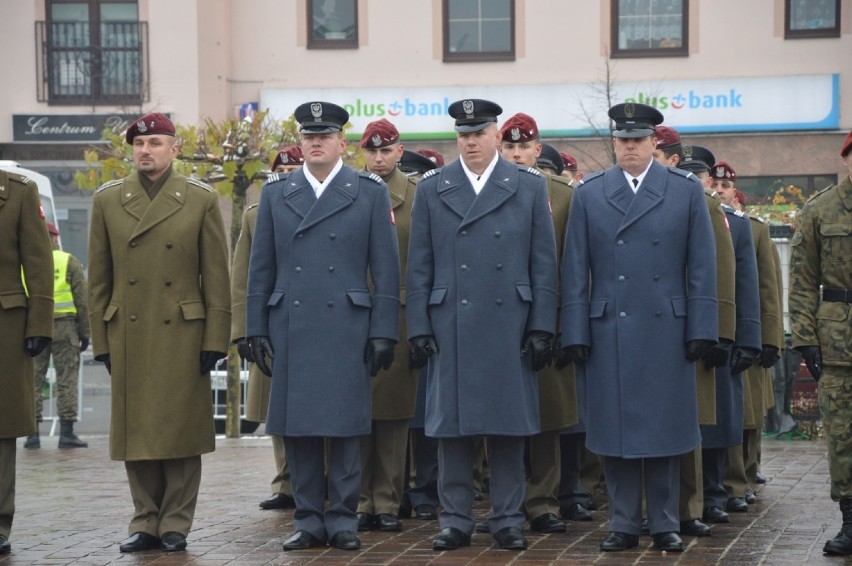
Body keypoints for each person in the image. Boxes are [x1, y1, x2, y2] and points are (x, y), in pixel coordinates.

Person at [558, 103, 718, 553]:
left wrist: (702, 325)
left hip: (666, 326)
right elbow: (575, 269)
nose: (630, 147)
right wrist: (576, 330)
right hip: (610, 327)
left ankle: (666, 521)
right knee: (615, 431)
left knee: (665, 432)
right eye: (623, 140)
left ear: (654, 143)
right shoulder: (590, 193)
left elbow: (702, 264)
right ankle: (624, 522)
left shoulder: (685, 190)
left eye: (638, 140)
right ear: (614, 143)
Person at [246, 101, 400, 551]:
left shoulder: (368, 192)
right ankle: (309, 519)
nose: (315, 142)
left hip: (348, 324)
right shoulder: (277, 193)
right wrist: (255, 327)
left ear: (341, 143)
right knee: (299, 428)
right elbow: (261, 268)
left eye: (325, 135)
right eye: (308, 136)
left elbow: (386, 269)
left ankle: (343, 519)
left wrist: (383, 330)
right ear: (300, 142)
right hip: (292, 322)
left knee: (346, 428)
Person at [406, 98, 558, 551]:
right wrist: (418, 326)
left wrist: (541, 325)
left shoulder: (528, 186)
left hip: (509, 320)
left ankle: (508, 518)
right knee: (452, 429)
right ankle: (454, 519)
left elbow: (543, 264)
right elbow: (419, 265)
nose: (470, 142)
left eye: (478, 134)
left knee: (508, 428)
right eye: (463, 135)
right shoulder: (434, 187)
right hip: (451, 318)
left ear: (496, 135)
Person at [88, 112, 232, 553]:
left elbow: (216, 276)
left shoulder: (198, 198)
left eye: (154, 143)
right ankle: (144, 519)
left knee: (181, 431)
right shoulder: (109, 200)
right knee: (137, 430)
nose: (145, 151)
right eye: (139, 144)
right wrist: (101, 340)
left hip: (183, 332)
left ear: (173, 149)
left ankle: (175, 522)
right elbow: (99, 279)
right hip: (128, 329)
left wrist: (215, 338)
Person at [654, 129, 738, 537]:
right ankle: (649, 509)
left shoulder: (702, 201)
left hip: (689, 327)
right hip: (646, 325)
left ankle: (689, 507)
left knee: (688, 421)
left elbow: (718, 271)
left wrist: (718, 331)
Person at [498, 112, 577, 534]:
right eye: (508, 147)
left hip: (550, 321)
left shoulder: (563, 195)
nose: (515, 154)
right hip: (499, 323)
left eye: (523, 147)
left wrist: (568, 327)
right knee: (500, 419)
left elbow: (576, 265)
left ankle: (543, 503)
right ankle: (503, 504)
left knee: (547, 420)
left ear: (537, 148)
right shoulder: (485, 189)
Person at [788, 129, 852, 556]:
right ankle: (851, 521)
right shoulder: (821, 209)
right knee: (844, 436)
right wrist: (805, 338)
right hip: (840, 342)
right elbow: (802, 280)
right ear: (847, 158)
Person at [231, 146, 303, 512]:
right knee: (278, 410)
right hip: (271, 326)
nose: (289, 172)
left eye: (296, 167)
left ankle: (315, 480)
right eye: (283, 167)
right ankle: (285, 482)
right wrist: (243, 329)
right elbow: (243, 275)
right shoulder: (256, 214)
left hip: (311, 322)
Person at [356, 118, 419, 533]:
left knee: (394, 417)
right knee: (357, 412)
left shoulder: (418, 195)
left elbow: (425, 264)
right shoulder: (351, 190)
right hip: (354, 315)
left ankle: (388, 501)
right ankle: (361, 500)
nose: (378, 158)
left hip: (400, 314)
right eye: (372, 151)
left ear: (399, 151)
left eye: (386, 150)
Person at [710, 161, 782, 511]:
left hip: (742, 332)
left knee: (745, 417)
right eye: (716, 184)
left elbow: (767, 289)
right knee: (723, 414)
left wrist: (770, 339)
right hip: (715, 335)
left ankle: (740, 480)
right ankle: (723, 484)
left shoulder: (751, 229)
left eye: (726, 186)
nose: (721, 190)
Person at [0, 170, 53, 555]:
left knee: (1, 428)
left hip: (5, 324)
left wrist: (39, 323)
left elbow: (39, 263)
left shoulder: (17, 192)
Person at [25, 223, 90, 450]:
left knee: (33, 381)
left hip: (34, 328)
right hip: (65, 328)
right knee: (66, 380)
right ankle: (66, 433)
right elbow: (82, 300)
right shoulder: (68, 261)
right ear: (54, 237)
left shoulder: (27, 263)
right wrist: (85, 333)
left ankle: (32, 436)